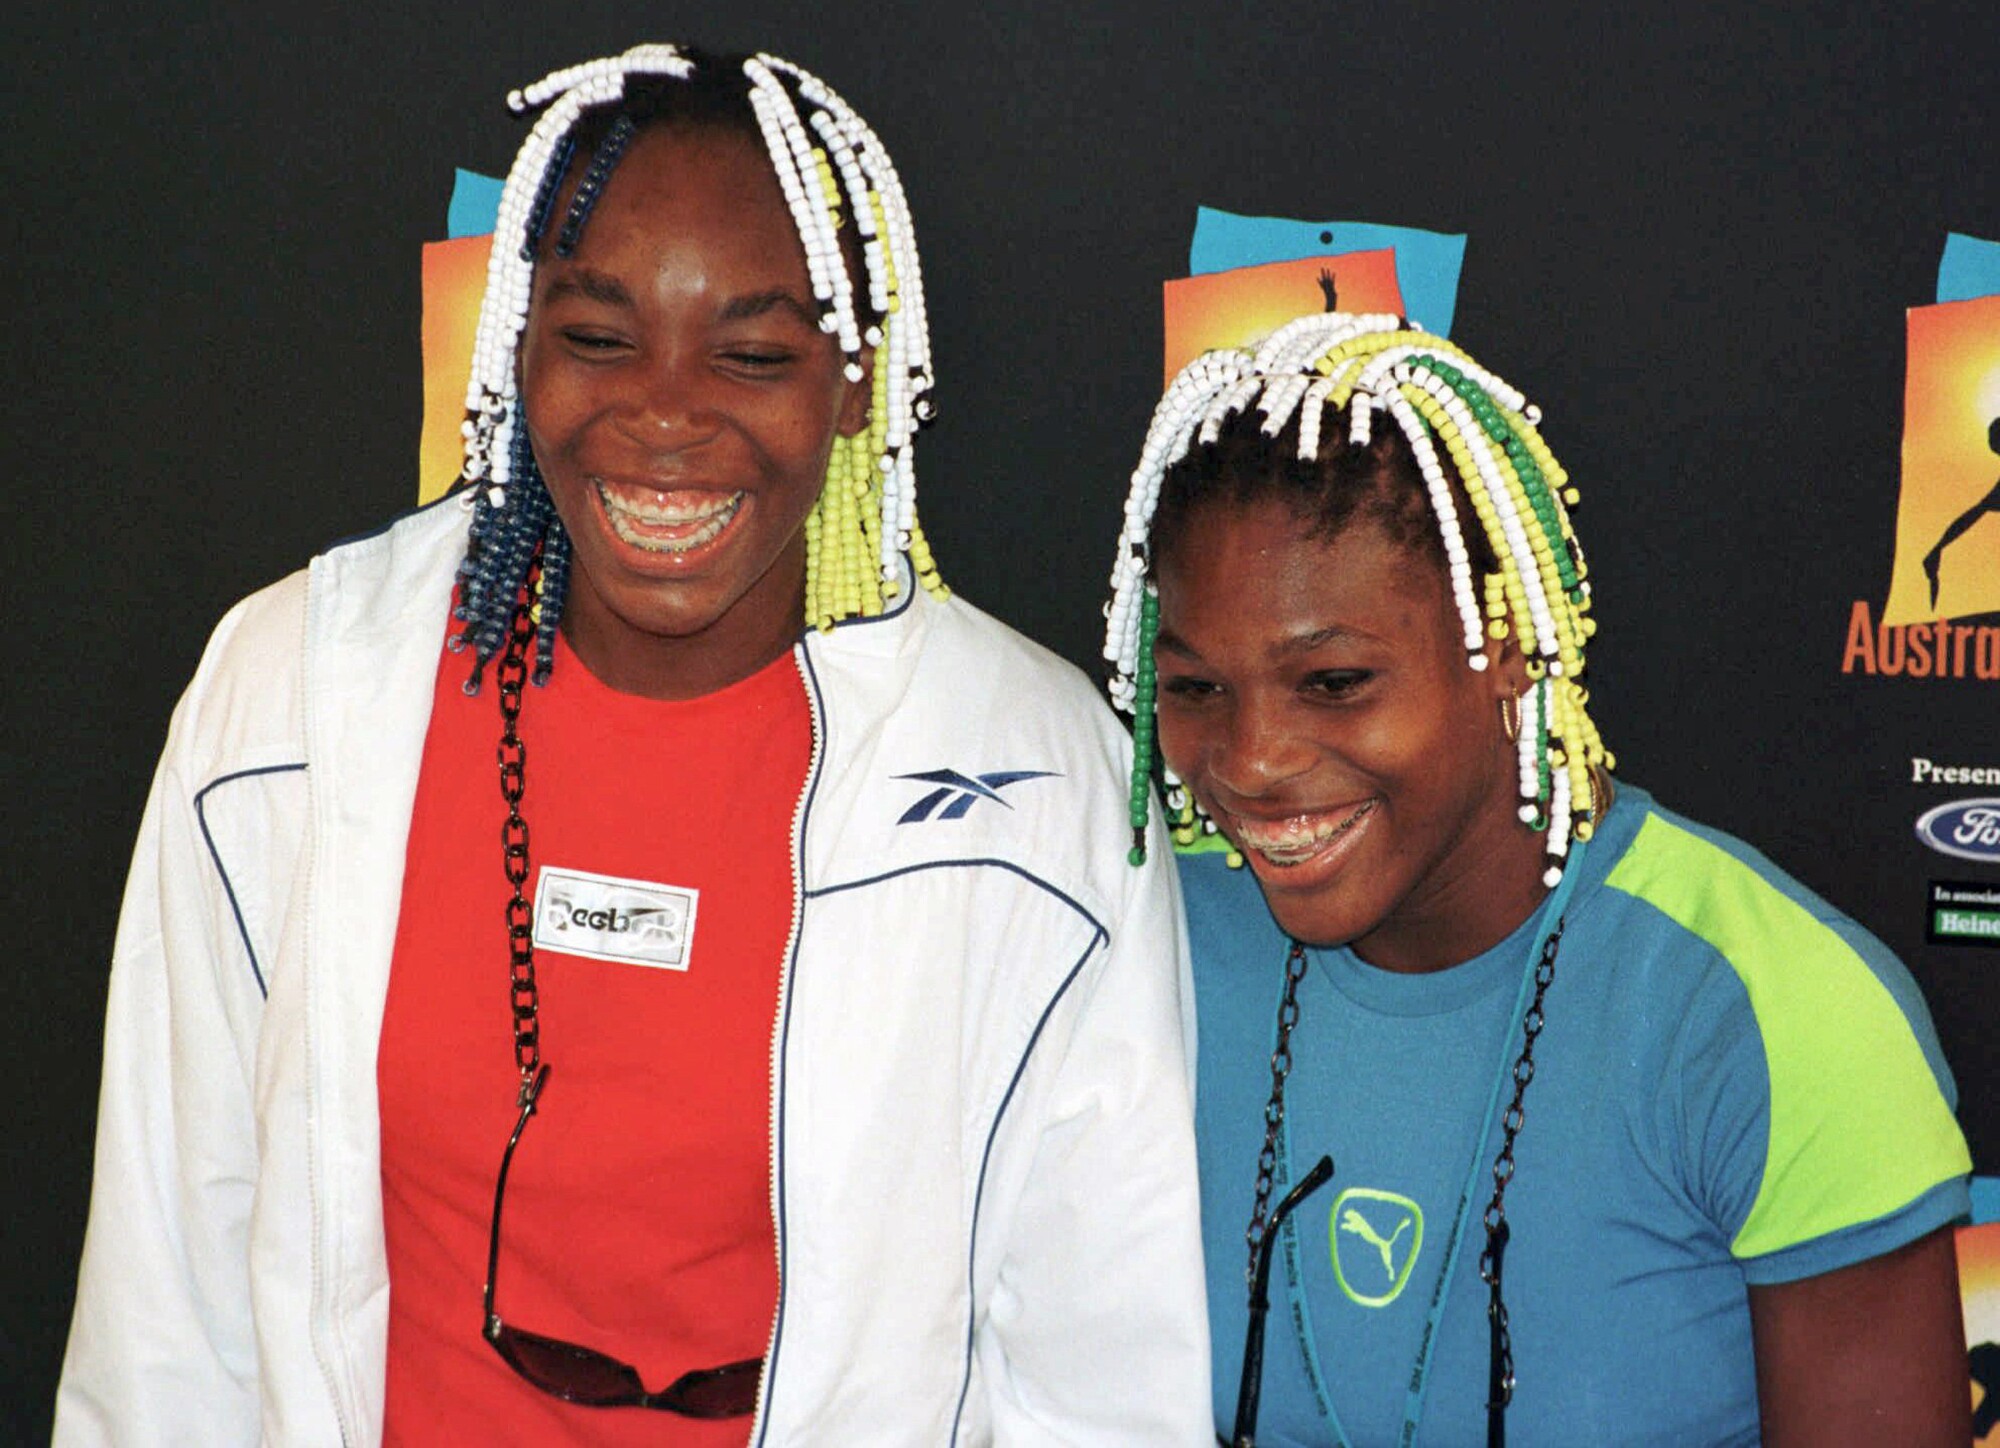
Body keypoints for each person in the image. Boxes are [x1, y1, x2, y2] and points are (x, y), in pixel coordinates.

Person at [56, 44, 1208, 1445]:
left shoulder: (1035, 783)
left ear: (855, 381)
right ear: (517, 346)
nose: (665, 415)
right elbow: (169, 1307)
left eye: (753, 354)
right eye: (599, 339)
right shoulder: (289, 697)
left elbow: (1096, 1376)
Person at [1099, 312, 1972, 1446]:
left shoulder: (1768, 1011)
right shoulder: (1146, 939)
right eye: (1196, 689)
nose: (1251, 761)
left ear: (1505, 644)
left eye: (1334, 681)